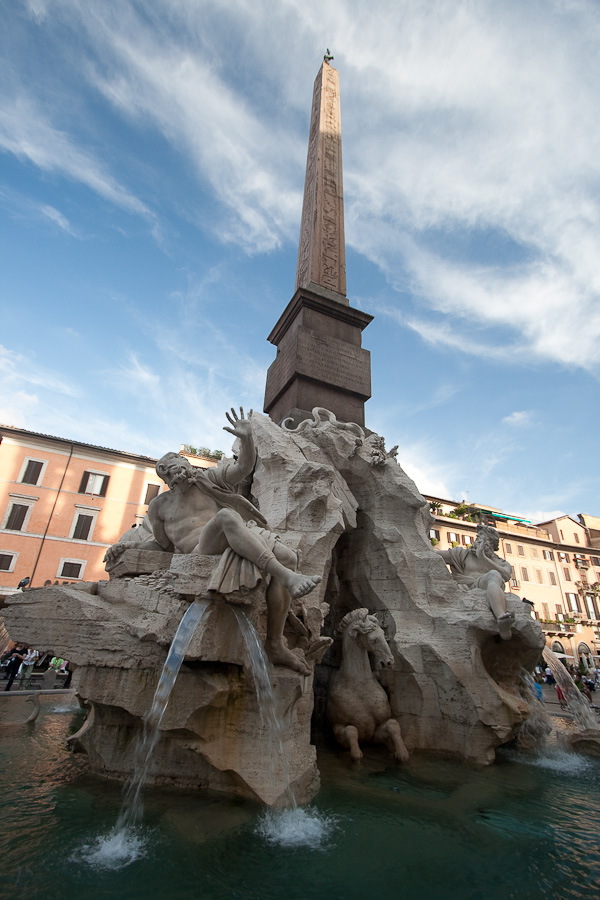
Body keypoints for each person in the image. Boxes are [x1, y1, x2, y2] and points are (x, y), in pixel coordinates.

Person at [104, 408, 321, 676]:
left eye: (174, 460)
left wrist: (247, 439)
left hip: (234, 535)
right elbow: (161, 547)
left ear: (184, 463)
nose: (171, 467)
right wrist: (128, 546)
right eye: (164, 467)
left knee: (288, 555)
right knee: (227, 517)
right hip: (200, 550)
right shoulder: (160, 506)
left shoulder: (207, 480)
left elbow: (243, 467)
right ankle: (287, 577)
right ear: (164, 477)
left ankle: (275, 643)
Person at [437, 524, 515, 639]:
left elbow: (506, 575)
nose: (478, 542)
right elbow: (435, 555)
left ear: (492, 545)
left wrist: (483, 558)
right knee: (493, 575)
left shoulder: (501, 563)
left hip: (487, 585)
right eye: (478, 539)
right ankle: (501, 620)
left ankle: (501, 619)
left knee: (493, 575)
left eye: (483, 540)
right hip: (466, 588)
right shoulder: (462, 554)